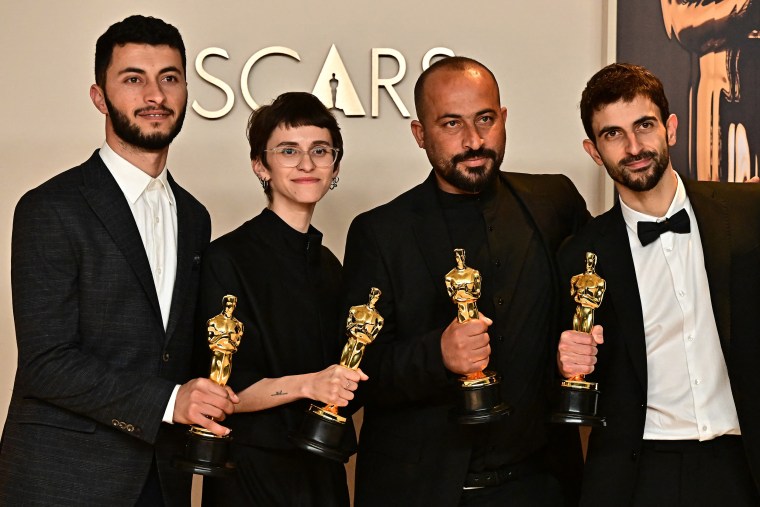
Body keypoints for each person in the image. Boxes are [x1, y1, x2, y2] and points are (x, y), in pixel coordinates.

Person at [0, 14, 237, 506]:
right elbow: (47, 362)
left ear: (186, 91)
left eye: (169, 78)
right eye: (134, 79)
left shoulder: (195, 216)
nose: (155, 95)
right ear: (98, 96)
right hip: (63, 480)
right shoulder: (50, 208)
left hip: (163, 477)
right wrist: (172, 402)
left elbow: (178, 350)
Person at [342, 56, 589, 507]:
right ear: (420, 134)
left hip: (543, 486)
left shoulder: (555, 203)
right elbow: (356, 376)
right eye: (451, 123)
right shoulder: (380, 233)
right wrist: (437, 354)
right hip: (425, 492)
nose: (474, 140)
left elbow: (604, 296)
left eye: (485, 120)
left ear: (504, 118)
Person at [557, 63, 760, 506]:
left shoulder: (748, 212)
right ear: (594, 151)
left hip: (742, 460)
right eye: (613, 134)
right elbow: (572, 368)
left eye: (644, 125)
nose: (633, 147)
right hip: (640, 471)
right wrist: (569, 360)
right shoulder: (580, 255)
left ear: (670, 127)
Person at [197, 91, 364, 507]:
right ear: (261, 165)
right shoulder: (226, 258)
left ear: (335, 166)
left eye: (320, 150)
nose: (306, 164)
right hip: (251, 477)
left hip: (322, 473)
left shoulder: (329, 265)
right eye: (289, 151)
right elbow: (225, 393)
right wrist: (310, 383)